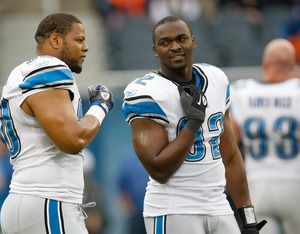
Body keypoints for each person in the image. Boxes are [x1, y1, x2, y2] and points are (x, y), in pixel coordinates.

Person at [122, 16, 266, 234]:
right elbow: (159, 170)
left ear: (194, 41)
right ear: (155, 50)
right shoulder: (146, 93)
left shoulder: (216, 78)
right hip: (173, 208)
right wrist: (193, 123)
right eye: (165, 42)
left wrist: (248, 217)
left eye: (181, 39)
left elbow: (230, 155)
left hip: (218, 204)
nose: (175, 46)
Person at [0, 13, 114, 234]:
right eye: (79, 40)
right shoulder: (49, 67)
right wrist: (100, 107)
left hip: (28, 201)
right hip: (49, 201)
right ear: (56, 40)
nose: (86, 47)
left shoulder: (19, 74)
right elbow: (73, 139)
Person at [230, 38, 300, 234]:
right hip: (295, 183)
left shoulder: (241, 91)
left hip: (256, 186)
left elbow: (229, 144)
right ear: (293, 65)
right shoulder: (297, 92)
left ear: (265, 63)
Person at [117, 147, 149, 234]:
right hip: (137, 214)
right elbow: (122, 186)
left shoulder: (158, 154)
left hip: (158, 212)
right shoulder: (129, 158)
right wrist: (128, 207)